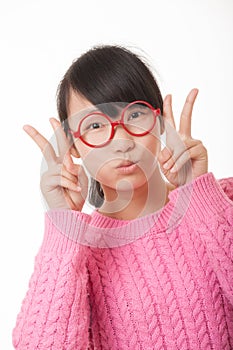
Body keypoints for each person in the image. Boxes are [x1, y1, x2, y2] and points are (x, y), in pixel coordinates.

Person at [12, 45, 233, 349]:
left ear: (159, 122)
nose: (122, 141)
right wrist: (63, 228)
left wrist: (200, 196)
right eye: (95, 125)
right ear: (73, 146)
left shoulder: (222, 201)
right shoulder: (81, 251)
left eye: (136, 114)